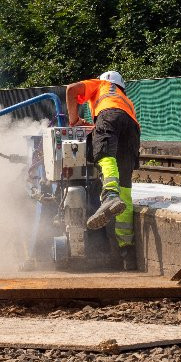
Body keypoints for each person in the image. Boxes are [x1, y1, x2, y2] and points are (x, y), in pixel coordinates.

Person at [65, 70, 140, 271]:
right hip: (132, 127)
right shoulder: (126, 100)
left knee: (104, 154)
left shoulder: (100, 85)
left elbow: (71, 90)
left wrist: (74, 120)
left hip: (107, 117)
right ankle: (128, 253)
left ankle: (109, 195)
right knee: (126, 189)